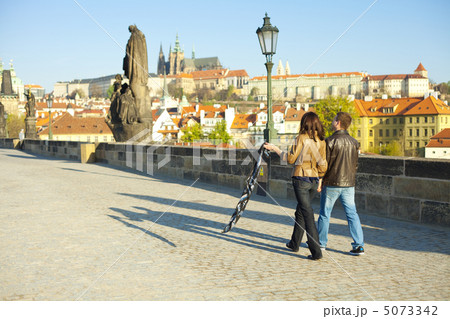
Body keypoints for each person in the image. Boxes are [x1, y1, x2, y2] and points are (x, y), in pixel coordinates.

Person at [264, 112, 327, 260]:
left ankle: (316, 252)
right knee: (301, 211)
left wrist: (275, 148)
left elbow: (290, 158)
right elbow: (323, 164)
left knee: (307, 213)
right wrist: (320, 178)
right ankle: (294, 243)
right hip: (313, 180)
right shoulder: (321, 140)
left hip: (301, 179)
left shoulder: (301, 138)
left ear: (304, 123)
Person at [317, 111, 365, 256]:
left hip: (332, 182)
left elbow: (324, 165)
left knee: (325, 214)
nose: (332, 122)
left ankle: (321, 243)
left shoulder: (329, 141)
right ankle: (359, 245)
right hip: (349, 183)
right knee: (352, 214)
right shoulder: (354, 142)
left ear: (338, 122)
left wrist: (320, 181)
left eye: (333, 120)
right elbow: (355, 165)